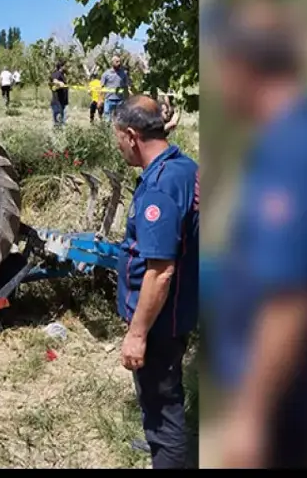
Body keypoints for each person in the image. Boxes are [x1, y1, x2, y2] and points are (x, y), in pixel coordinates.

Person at [207, 0, 307, 469]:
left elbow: (291, 298)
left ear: (242, 67)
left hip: (287, 402)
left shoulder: (293, 150)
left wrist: (251, 417)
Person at [112, 95, 199, 469]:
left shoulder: (159, 188)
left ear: (132, 136)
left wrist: (137, 333)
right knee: (157, 398)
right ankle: (159, 441)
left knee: (164, 406)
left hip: (161, 320)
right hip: (180, 309)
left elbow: (160, 271)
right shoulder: (184, 167)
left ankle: (167, 451)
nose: (117, 146)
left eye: (117, 138)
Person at [101, 55, 131, 120]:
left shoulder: (124, 73)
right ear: (112, 63)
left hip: (120, 100)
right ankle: (107, 130)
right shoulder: (106, 74)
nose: (119, 63)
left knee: (119, 120)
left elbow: (126, 86)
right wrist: (100, 100)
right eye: (117, 62)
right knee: (107, 119)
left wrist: (127, 99)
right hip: (109, 100)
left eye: (120, 62)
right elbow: (102, 88)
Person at [49, 61, 69, 127]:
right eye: (65, 66)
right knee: (57, 123)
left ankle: (61, 136)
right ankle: (57, 136)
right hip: (57, 103)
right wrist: (59, 83)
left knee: (62, 123)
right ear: (61, 66)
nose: (67, 67)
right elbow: (54, 80)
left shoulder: (62, 74)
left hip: (62, 103)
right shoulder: (57, 73)